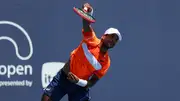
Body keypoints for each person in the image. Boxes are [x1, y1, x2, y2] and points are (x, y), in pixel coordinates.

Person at [41, 3, 122, 101]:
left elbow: (91, 83)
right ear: (104, 36)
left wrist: (78, 81)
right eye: (112, 36)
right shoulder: (91, 39)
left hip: (79, 88)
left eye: (116, 40)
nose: (113, 40)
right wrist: (88, 13)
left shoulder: (106, 62)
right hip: (63, 79)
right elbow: (86, 24)